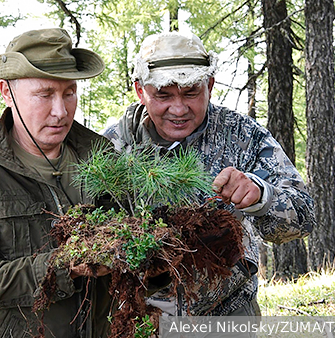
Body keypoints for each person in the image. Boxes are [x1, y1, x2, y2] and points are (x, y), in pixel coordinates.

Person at [103, 31, 315, 321]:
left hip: (226, 316)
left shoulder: (241, 136)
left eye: (191, 93)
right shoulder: (113, 148)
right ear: (141, 91)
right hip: (141, 319)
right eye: (163, 95)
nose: (178, 109)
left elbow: (303, 216)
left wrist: (261, 196)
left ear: (210, 85)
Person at [0, 28, 113, 338]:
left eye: (69, 93)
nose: (60, 111)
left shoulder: (101, 157)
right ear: (6, 92)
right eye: (45, 94)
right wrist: (62, 266)